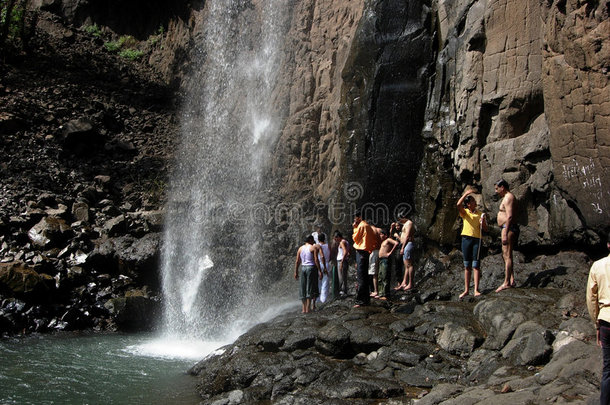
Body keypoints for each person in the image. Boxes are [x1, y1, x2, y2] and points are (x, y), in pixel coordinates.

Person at [586, 232, 610, 405]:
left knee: (608, 368)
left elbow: (591, 298)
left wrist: (596, 323)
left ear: (608, 245)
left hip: (606, 320)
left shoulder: (597, 266)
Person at [457, 188, 488, 298]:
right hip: (466, 239)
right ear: (469, 204)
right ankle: (466, 290)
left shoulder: (480, 214)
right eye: (473, 201)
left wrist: (483, 222)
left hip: (477, 239)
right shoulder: (465, 213)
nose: (476, 203)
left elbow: (485, 229)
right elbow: (458, 204)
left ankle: (476, 289)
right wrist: (466, 193)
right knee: (467, 265)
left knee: (476, 265)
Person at [494, 179, 519, 292]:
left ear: (502, 187)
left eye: (497, 188)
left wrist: (505, 232)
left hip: (508, 228)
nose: (496, 191)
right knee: (507, 255)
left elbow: (509, 216)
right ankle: (511, 279)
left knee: (507, 255)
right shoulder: (506, 197)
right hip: (505, 228)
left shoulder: (508, 197)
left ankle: (506, 282)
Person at [352, 209, 380, 307]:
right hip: (365, 252)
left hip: (361, 252)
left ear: (359, 217)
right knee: (364, 276)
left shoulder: (361, 225)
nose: (354, 219)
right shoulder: (368, 226)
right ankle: (366, 299)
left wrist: (355, 227)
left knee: (361, 278)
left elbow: (355, 238)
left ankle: (360, 300)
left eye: (355, 216)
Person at [294, 234, 322, 314]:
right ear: (310, 240)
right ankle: (308, 309)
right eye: (313, 240)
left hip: (303, 268)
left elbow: (297, 261)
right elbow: (316, 260)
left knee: (302, 287)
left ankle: (303, 309)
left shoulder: (300, 248)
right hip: (311, 268)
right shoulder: (313, 248)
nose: (313, 242)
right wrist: (320, 271)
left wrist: (296, 271)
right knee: (310, 287)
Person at [395, 211, 415, 291]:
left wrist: (402, 247)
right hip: (406, 245)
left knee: (409, 264)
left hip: (408, 244)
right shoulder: (406, 224)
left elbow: (407, 236)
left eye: (399, 219)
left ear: (403, 217)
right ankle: (404, 282)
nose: (399, 221)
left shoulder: (409, 223)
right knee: (406, 265)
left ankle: (410, 283)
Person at [377, 229, 399, 300]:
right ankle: (381, 293)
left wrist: (390, 252)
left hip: (385, 260)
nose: (380, 235)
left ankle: (385, 294)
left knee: (385, 276)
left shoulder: (388, 240)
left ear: (385, 235)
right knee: (380, 277)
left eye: (381, 234)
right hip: (381, 260)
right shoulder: (383, 242)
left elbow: (396, 243)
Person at [333, 231, 351, 297]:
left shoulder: (342, 242)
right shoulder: (346, 241)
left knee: (341, 277)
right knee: (344, 276)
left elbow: (345, 251)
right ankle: (344, 291)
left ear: (338, 237)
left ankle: (342, 292)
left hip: (341, 261)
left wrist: (342, 262)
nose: (335, 240)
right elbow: (348, 252)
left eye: (335, 238)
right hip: (344, 260)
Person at [316, 233, 331, 303]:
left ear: (318, 239)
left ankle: (318, 298)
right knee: (325, 282)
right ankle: (323, 299)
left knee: (319, 281)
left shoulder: (318, 246)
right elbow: (330, 254)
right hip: (326, 264)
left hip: (319, 264)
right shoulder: (328, 245)